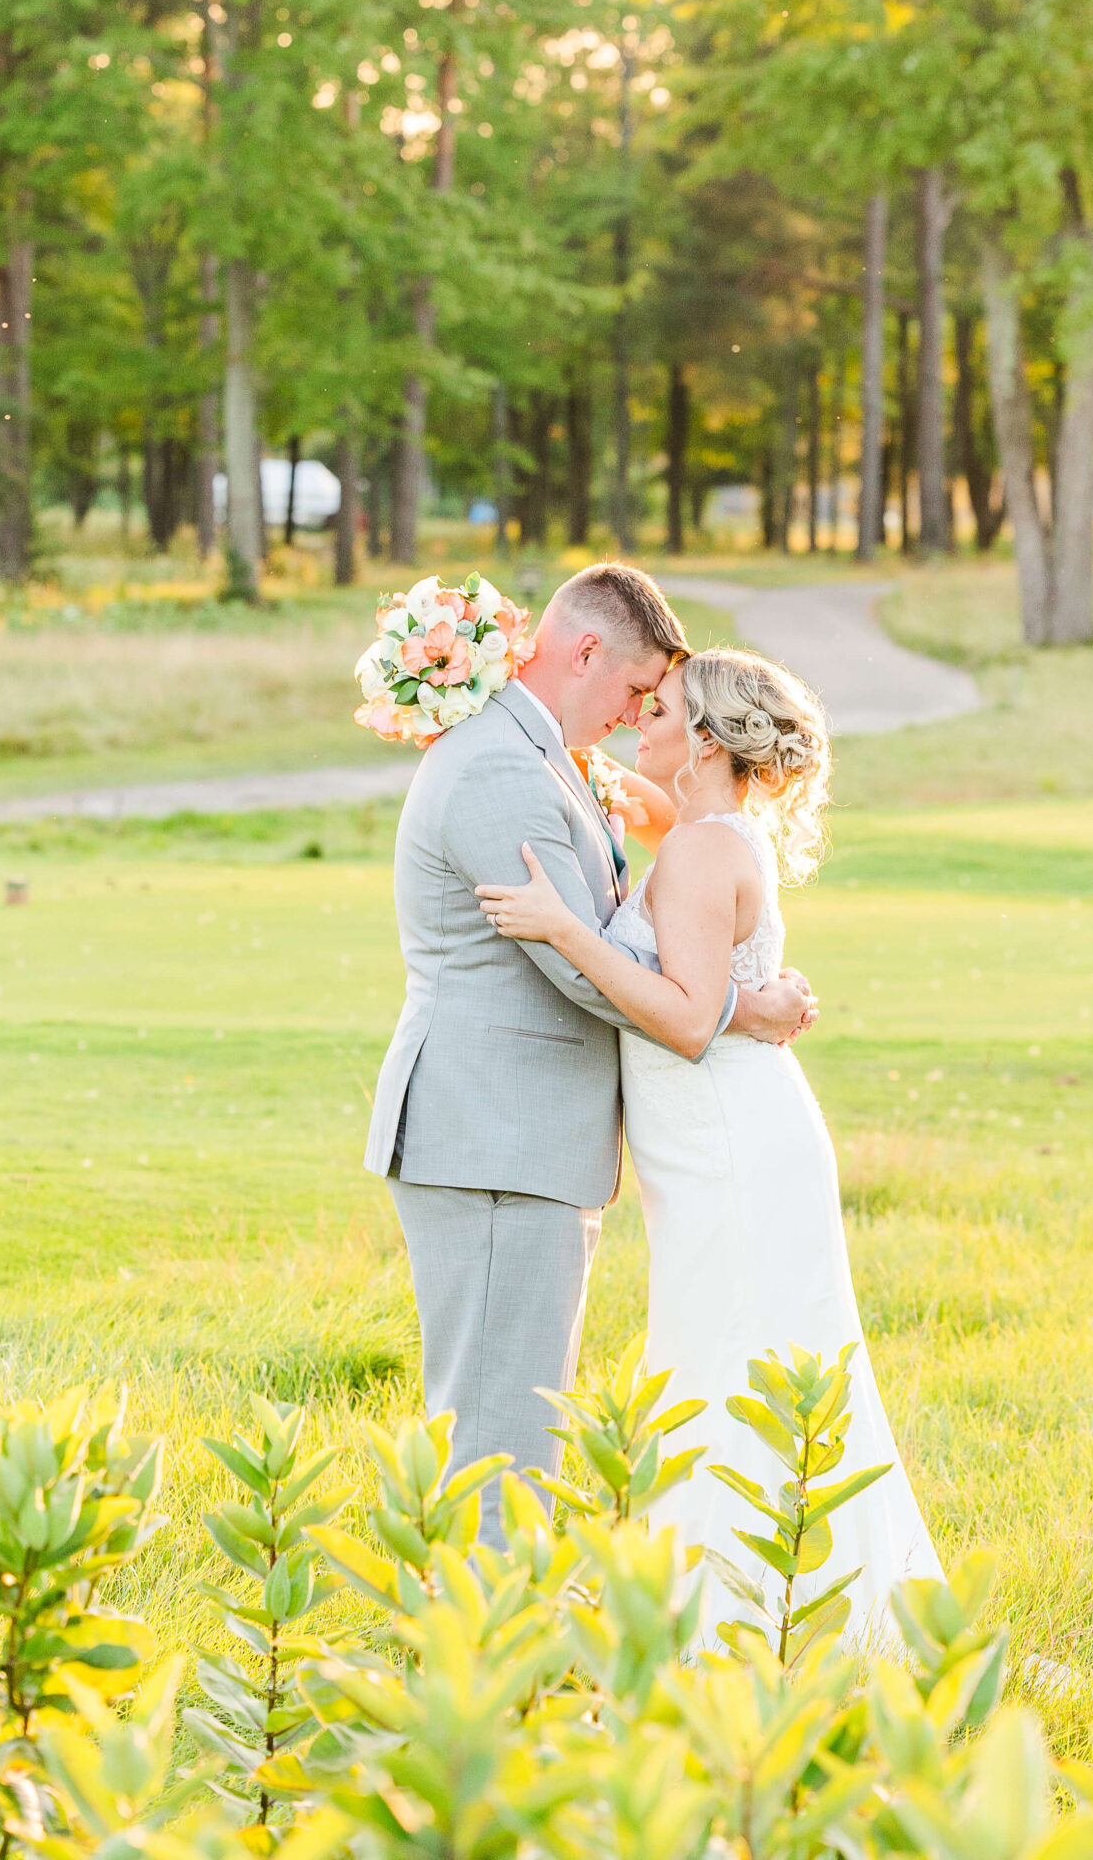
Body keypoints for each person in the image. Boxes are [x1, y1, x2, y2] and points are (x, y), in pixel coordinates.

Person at [476, 643, 941, 1641]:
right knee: (730, 1353)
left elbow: (686, 1019)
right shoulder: (707, 828)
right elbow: (640, 807)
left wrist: (564, 928)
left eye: (659, 711)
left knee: (730, 1360)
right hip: (720, 1137)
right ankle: (756, 1605)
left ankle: (739, 1619)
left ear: (708, 740)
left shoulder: (699, 851)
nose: (638, 720)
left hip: (728, 1144)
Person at [363, 564, 817, 1543]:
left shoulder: (547, 759)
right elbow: (577, 964)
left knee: (511, 1420)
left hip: (523, 1138)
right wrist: (744, 1006)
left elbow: (655, 885)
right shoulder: (497, 767)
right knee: (498, 1432)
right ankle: (482, 1632)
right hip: (495, 1136)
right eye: (636, 689)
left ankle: (494, 1619)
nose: (633, 715)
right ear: (584, 653)